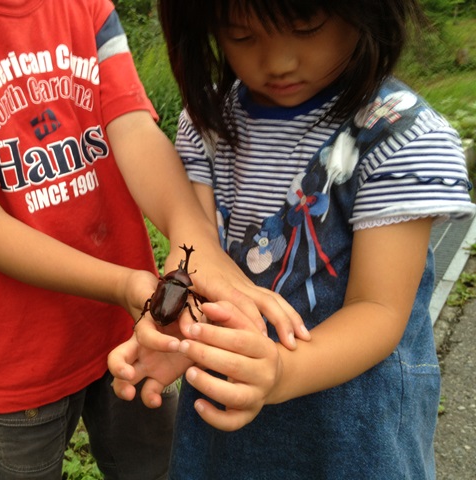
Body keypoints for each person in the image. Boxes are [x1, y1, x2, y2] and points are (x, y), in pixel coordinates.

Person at [0, 0, 308, 478]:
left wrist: (197, 239)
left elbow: (131, 125)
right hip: (18, 352)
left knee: (156, 466)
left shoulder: (86, 5)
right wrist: (126, 284)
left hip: (136, 336)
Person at [108, 0, 476, 478]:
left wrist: (282, 372)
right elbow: (201, 262)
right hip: (225, 420)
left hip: (353, 430)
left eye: (306, 28)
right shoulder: (209, 125)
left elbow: (380, 310)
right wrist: (182, 336)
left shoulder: (399, 136)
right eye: (242, 36)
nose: (278, 62)